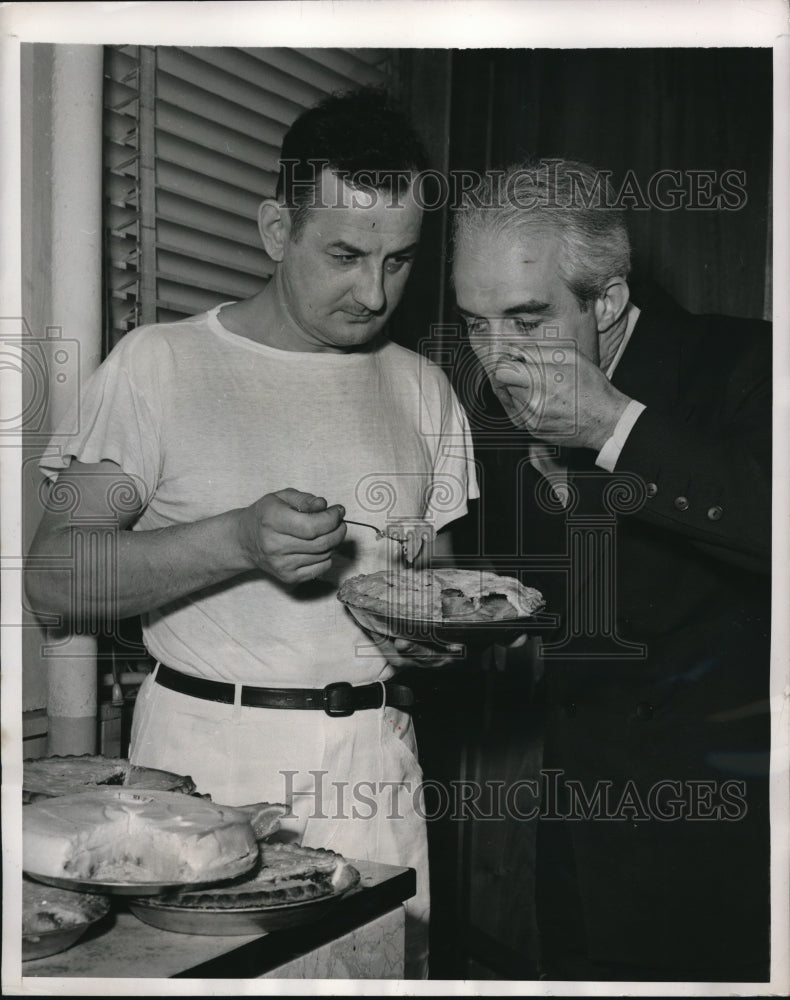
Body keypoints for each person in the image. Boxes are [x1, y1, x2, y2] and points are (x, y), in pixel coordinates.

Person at [26, 87, 479, 978]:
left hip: (376, 769)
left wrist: (433, 636)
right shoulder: (160, 365)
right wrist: (235, 540)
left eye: (399, 261)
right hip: (205, 770)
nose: (373, 292)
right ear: (278, 229)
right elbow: (54, 581)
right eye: (345, 254)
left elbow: (444, 592)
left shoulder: (426, 389)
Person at [451, 158, 771, 982]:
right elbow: (522, 596)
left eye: (526, 319)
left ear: (611, 300)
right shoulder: (494, 410)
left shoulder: (744, 364)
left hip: (727, 835)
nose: (497, 358)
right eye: (474, 323)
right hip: (578, 823)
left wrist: (611, 424)